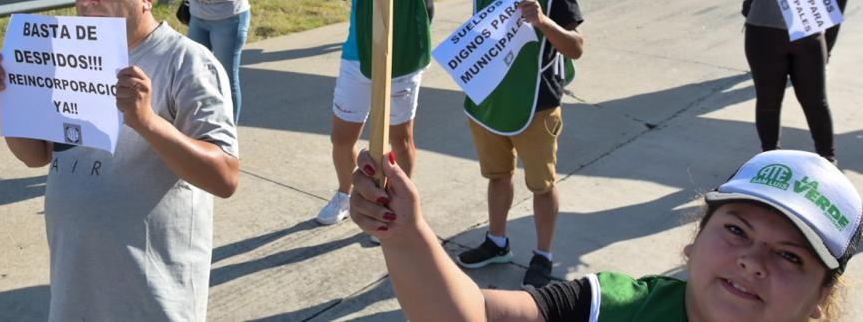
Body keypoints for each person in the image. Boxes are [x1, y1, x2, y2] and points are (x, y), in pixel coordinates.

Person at [0, 0, 239, 321]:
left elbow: (225, 177)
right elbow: (37, 156)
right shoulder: (64, 54)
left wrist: (147, 122)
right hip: (75, 286)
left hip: (151, 294)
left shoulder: (187, 63)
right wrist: (3, 104)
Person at [350, 147, 861, 321]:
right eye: (736, 229)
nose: (753, 261)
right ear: (693, 241)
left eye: (792, 257)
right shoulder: (614, 309)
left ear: (823, 296)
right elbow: (474, 316)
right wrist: (405, 234)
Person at [456, 0, 584, 288]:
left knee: (542, 184)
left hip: (537, 103)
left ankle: (543, 255)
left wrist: (542, 21)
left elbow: (575, 48)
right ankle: (497, 242)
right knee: (497, 176)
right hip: (489, 103)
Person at [302, 0, 439, 227]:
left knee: (400, 140)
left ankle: (399, 203)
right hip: (357, 56)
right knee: (341, 137)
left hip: (402, 58)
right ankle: (345, 195)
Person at [731, 0, 863, 162]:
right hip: (766, 34)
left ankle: (827, 160)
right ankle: (769, 158)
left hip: (809, 37)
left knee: (816, 101)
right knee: (769, 101)